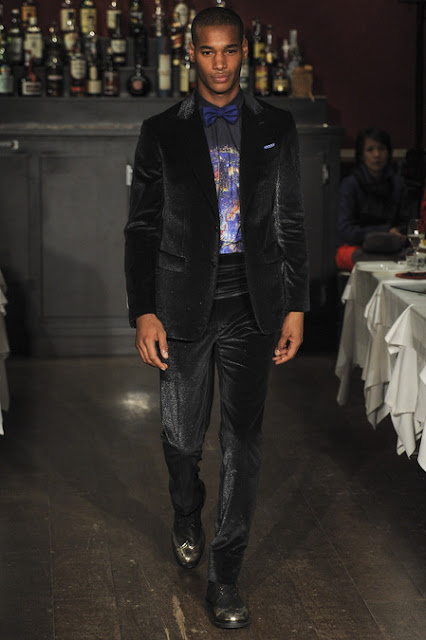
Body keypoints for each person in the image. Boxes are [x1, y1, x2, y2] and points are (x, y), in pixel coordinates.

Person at [124, 7, 309, 630]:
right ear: (191, 54)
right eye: (208, 51)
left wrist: (295, 305)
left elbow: (289, 221)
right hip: (180, 299)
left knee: (242, 439)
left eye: (230, 50)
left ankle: (225, 576)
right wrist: (143, 310)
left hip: (253, 298)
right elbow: (141, 227)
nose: (220, 63)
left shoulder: (277, 126)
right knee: (181, 438)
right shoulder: (160, 131)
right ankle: (186, 508)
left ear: (244, 52)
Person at [335, 127, 408, 271]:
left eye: (381, 149)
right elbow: (345, 230)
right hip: (358, 246)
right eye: (370, 150)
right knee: (364, 259)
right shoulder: (350, 184)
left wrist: (398, 233)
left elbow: (406, 222)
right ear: (362, 155)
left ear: (389, 152)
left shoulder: (397, 183)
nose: (377, 155)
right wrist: (384, 231)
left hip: (391, 246)